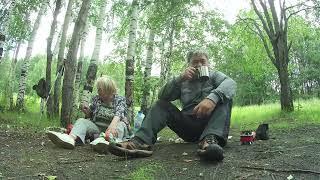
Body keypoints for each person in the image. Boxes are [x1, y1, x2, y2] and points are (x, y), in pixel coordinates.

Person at [108, 50, 236, 161]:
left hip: (211, 125)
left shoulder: (214, 75)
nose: (199, 65)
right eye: (194, 62)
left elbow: (231, 83)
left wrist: (212, 99)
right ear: (189, 65)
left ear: (208, 63)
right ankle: (139, 142)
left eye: (202, 61)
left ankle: (210, 142)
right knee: (160, 104)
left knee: (225, 98)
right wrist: (179, 78)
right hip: (188, 126)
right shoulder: (183, 80)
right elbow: (162, 96)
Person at [47, 76, 131, 154]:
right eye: (98, 89)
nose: (98, 92)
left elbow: (119, 113)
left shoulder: (120, 99)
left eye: (100, 89)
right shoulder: (96, 99)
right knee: (81, 121)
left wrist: (112, 126)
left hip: (114, 128)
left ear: (107, 89)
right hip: (98, 128)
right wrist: (87, 111)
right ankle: (70, 139)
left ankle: (107, 142)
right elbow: (91, 115)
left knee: (121, 124)